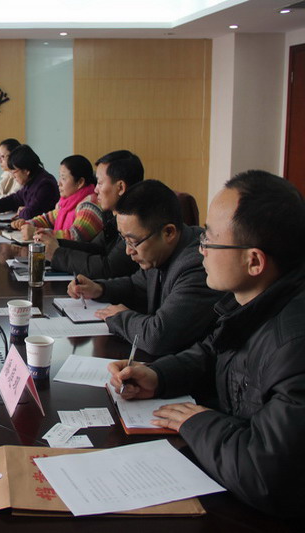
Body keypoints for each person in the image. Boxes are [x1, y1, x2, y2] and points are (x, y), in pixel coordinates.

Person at [108, 171, 305, 518]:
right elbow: (212, 352)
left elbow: (266, 475)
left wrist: (198, 423)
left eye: (210, 240)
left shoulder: (294, 343)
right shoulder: (248, 301)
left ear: (254, 261)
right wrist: (158, 376)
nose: (200, 249)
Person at [68, 179, 222, 356]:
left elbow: (157, 337)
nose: (128, 251)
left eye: (133, 242)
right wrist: (99, 289)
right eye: (124, 240)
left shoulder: (198, 265)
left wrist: (120, 317)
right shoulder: (162, 252)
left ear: (168, 232)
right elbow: (137, 285)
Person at [40, 150, 142, 278]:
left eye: (100, 183)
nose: (95, 189)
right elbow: (96, 248)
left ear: (120, 187)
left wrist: (57, 254)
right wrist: (55, 242)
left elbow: (108, 268)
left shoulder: (137, 221)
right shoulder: (111, 216)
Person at [13, 154, 103, 242]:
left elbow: (75, 236)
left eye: (63, 178)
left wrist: (35, 232)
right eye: (60, 177)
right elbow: (48, 219)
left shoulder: (90, 205)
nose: (58, 183)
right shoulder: (67, 202)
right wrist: (27, 224)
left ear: (80, 182)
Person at [0, 144, 59, 221]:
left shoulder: (45, 185)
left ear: (26, 170)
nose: (13, 176)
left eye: (14, 172)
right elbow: (14, 200)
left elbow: (30, 214)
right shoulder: (31, 180)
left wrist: (23, 211)